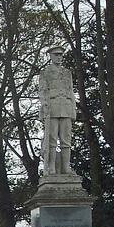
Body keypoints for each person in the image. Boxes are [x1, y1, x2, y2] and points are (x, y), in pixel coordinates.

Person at [39, 45, 76, 175]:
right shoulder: (45, 73)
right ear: (51, 56)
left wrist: (73, 109)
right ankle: (51, 168)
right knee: (52, 140)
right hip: (52, 107)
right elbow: (42, 91)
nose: (59, 57)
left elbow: (71, 91)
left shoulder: (67, 73)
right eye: (56, 55)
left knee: (66, 139)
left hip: (65, 106)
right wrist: (44, 105)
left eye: (61, 55)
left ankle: (66, 167)